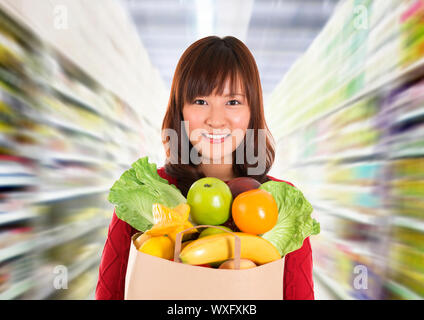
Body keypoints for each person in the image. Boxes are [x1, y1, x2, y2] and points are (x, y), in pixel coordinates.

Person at [95, 36, 314, 300]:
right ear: (180, 110)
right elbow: (110, 295)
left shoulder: (278, 204)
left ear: (252, 111)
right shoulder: (145, 194)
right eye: (200, 101)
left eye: (233, 102)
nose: (215, 119)